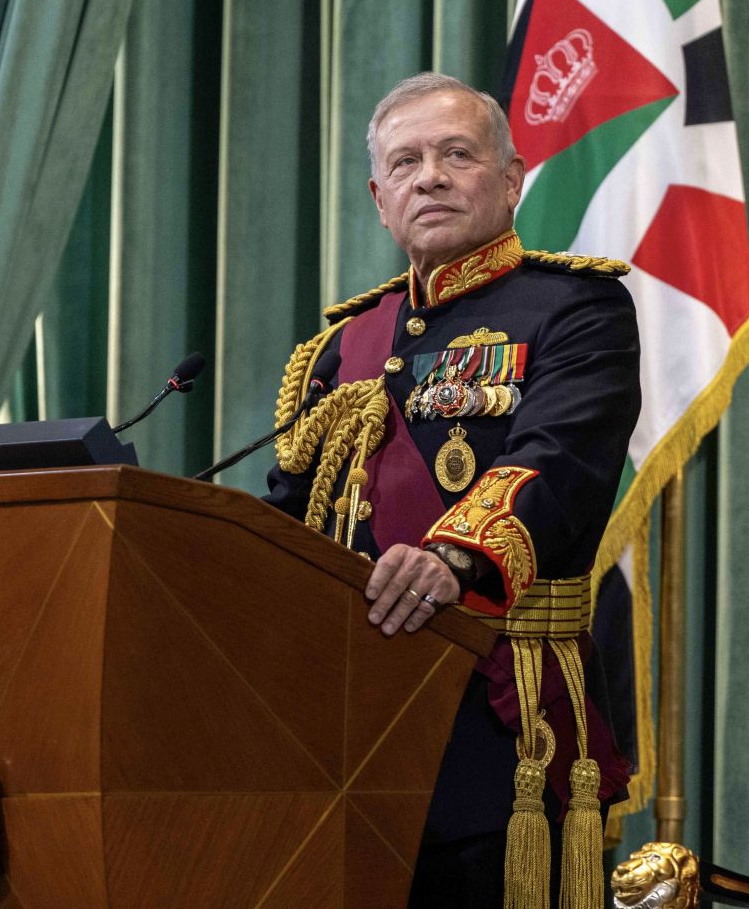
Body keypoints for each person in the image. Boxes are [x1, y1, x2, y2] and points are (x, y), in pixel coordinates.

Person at [266, 71, 641, 909]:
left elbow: (557, 464)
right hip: (343, 724)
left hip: (501, 717)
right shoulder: (343, 344)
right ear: (379, 196)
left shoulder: (575, 306)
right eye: (405, 163)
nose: (427, 176)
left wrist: (451, 557)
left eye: (455, 154)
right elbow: (287, 520)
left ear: (511, 179)